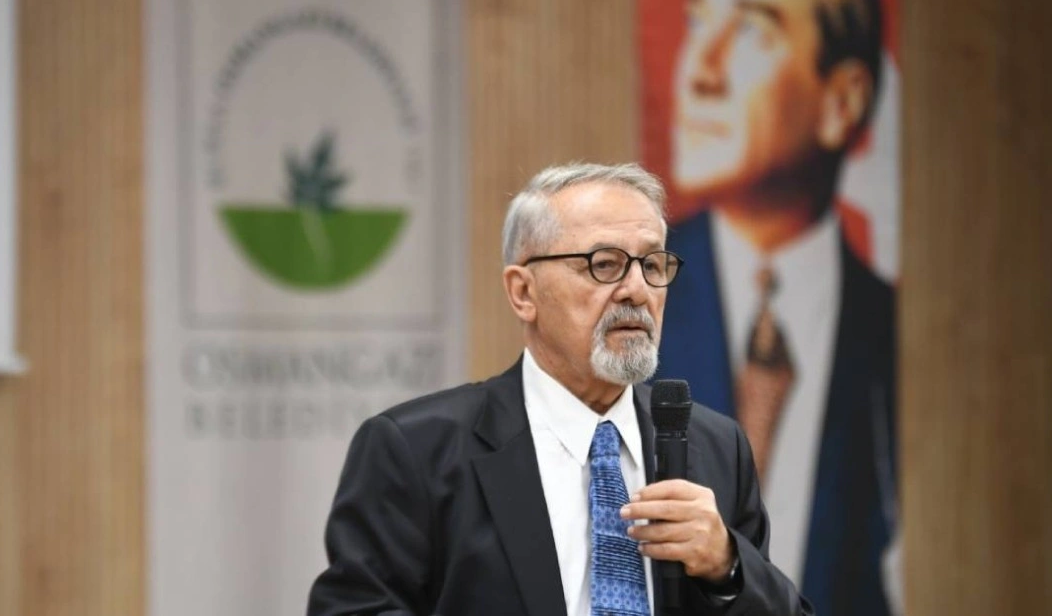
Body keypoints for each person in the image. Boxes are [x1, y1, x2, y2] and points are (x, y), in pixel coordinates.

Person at [308, 163, 811, 615]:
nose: (637, 290)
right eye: (604, 264)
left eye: (653, 265)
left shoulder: (717, 448)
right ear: (523, 292)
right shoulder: (415, 450)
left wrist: (727, 565)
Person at [653, 0, 899, 615]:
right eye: (698, 20)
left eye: (751, 32)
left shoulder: (895, 339)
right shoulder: (631, 303)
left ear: (842, 101)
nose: (699, 71)